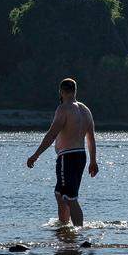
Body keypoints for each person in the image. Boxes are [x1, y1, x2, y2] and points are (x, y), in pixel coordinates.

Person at [26, 78, 99, 227]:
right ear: (75, 90)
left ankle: (78, 232)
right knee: (60, 194)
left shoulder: (64, 108)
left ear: (61, 91)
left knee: (70, 197)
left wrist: (36, 155)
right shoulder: (86, 110)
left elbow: (52, 134)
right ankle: (64, 226)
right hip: (80, 155)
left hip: (68, 157)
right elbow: (91, 139)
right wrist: (92, 161)